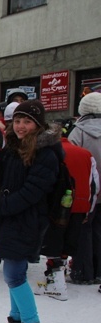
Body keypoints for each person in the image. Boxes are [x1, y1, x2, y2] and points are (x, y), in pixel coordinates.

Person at [0, 100, 56, 323]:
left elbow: (32, 192)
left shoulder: (46, 152)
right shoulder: (13, 148)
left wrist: (2, 206)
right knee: (13, 274)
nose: (21, 126)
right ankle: (16, 322)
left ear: (38, 124)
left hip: (28, 219)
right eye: (17, 121)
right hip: (10, 217)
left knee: (14, 274)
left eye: (27, 121)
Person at [35, 133, 98, 300]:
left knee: (53, 241)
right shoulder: (85, 153)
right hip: (79, 204)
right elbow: (94, 183)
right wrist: (89, 209)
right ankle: (57, 277)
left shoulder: (48, 154)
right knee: (68, 242)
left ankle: (55, 281)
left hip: (57, 205)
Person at [67, 92, 101, 289]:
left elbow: (72, 161)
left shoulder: (77, 132)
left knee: (83, 230)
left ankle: (83, 271)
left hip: (87, 192)